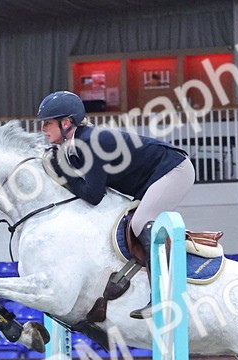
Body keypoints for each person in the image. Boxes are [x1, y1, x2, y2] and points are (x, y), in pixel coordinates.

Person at [37, 90, 196, 319]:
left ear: (66, 123)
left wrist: (65, 174)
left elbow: (93, 195)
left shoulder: (89, 142)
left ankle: (165, 297)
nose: (42, 129)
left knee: (140, 222)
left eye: (47, 123)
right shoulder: (75, 145)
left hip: (173, 170)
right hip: (152, 179)